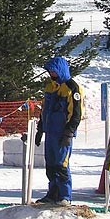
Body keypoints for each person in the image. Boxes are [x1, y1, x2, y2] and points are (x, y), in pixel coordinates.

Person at [34, 56, 83, 206]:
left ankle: (65, 195)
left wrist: (69, 132)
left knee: (62, 164)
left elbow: (76, 113)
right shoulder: (50, 87)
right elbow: (45, 110)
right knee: (51, 164)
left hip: (62, 133)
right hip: (50, 132)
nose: (51, 74)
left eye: (53, 71)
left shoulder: (72, 87)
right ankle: (52, 193)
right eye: (50, 71)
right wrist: (40, 129)